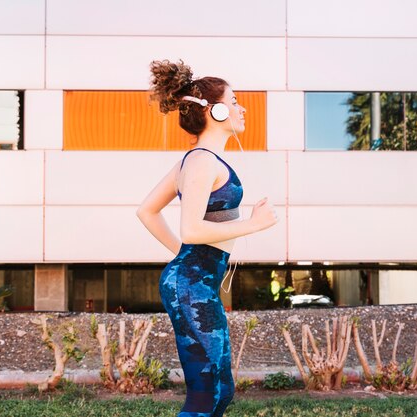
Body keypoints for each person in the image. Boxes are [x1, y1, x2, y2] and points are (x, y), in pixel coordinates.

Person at [137, 59, 278, 417]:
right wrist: (253, 223)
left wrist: (186, 258)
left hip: (194, 281)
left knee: (222, 391)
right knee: (207, 394)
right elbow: (192, 230)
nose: (240, 107)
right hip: (190, 286)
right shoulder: (201, 161)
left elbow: (147, 211)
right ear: (215, 111)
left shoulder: (201, 159)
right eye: (233, 101)